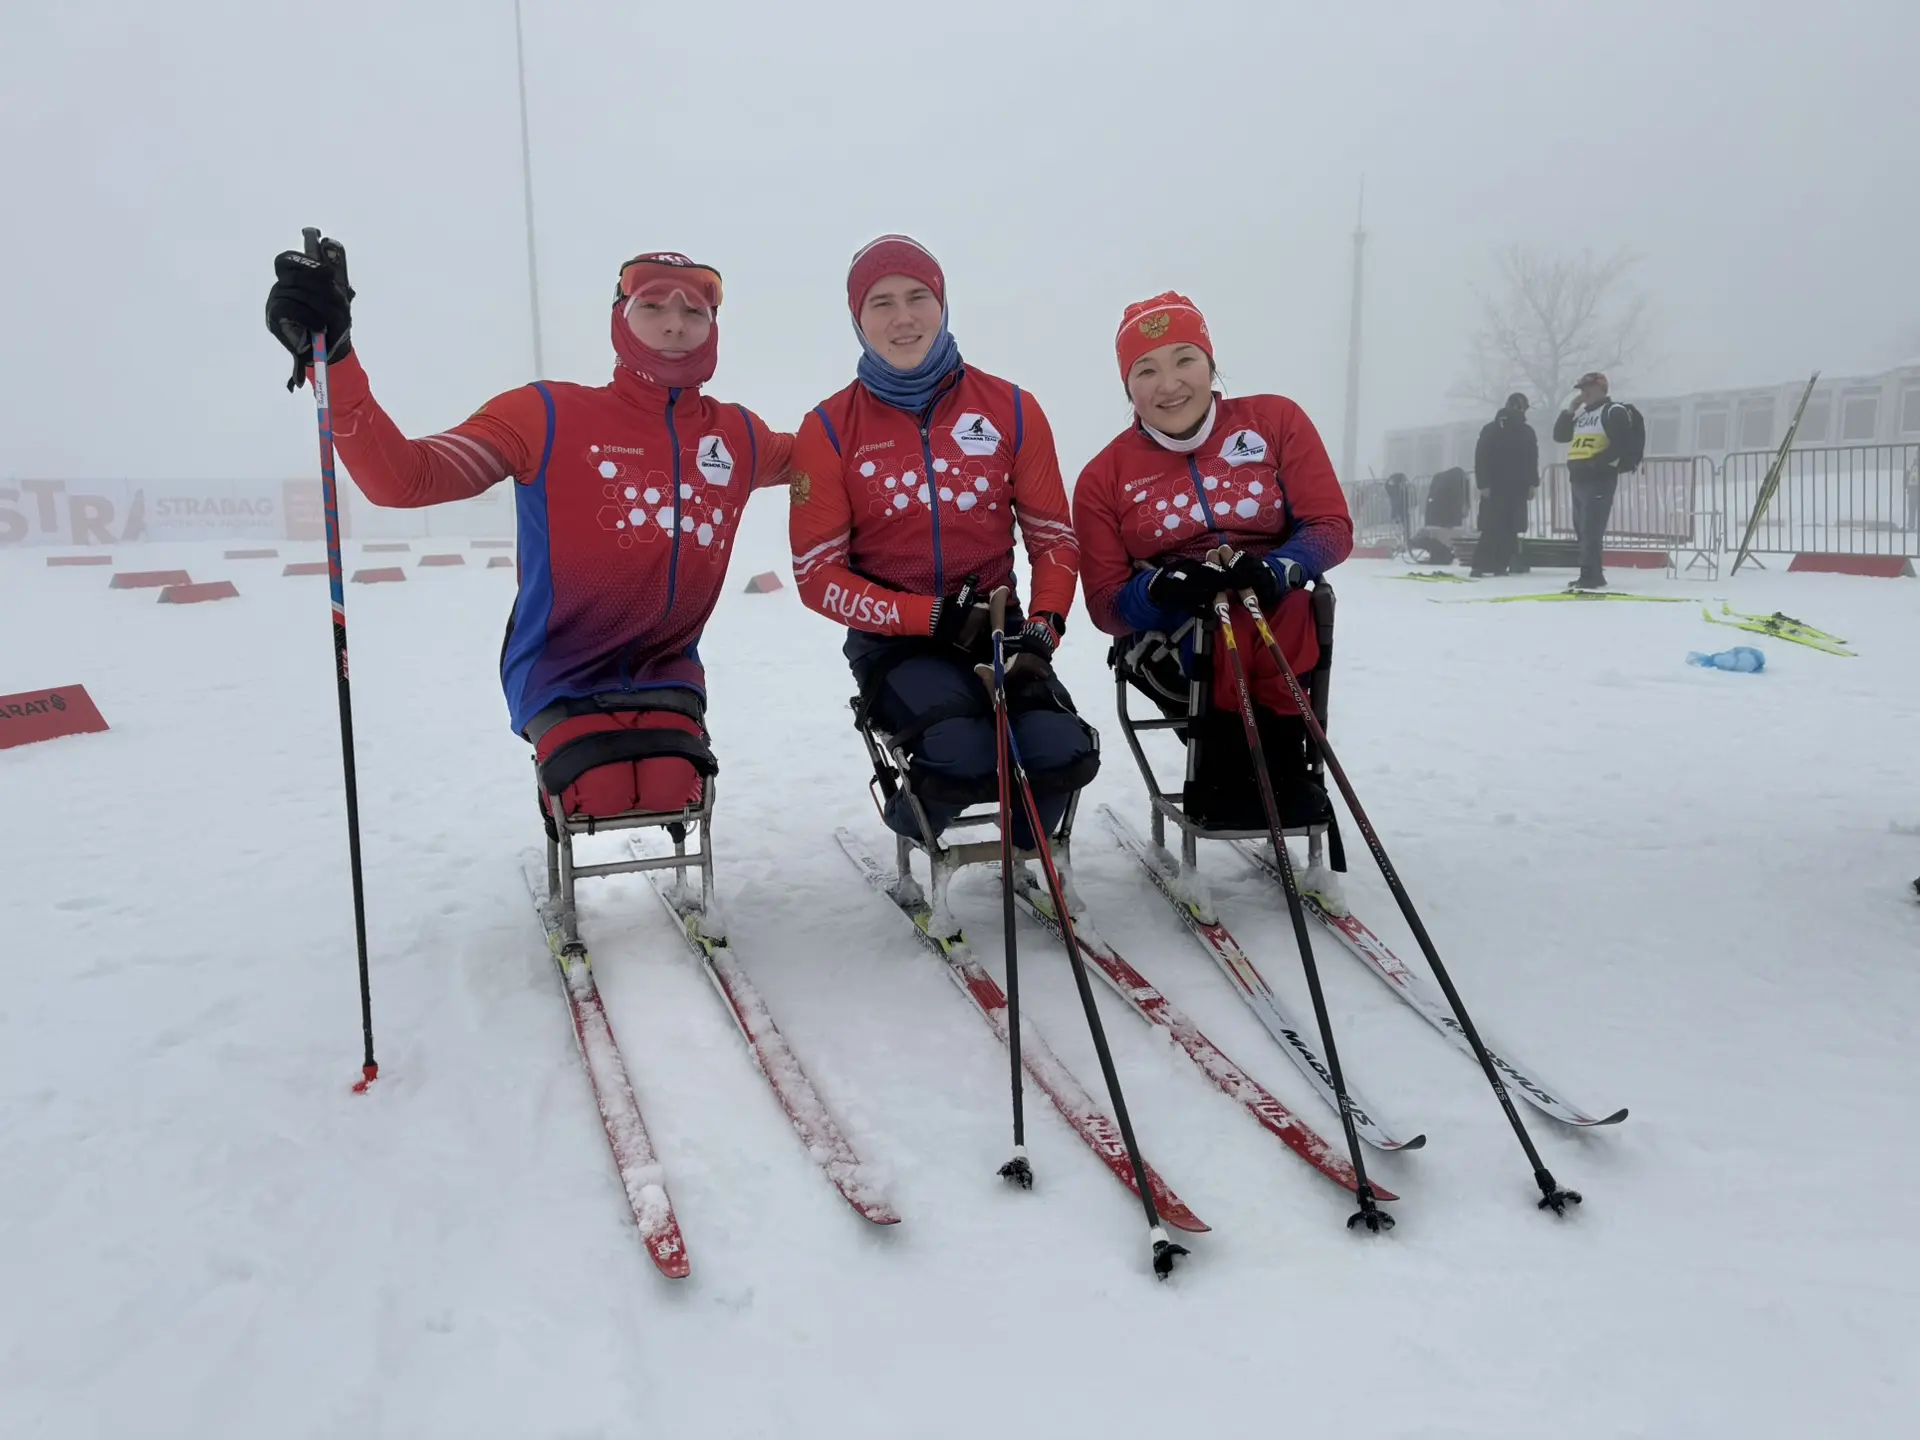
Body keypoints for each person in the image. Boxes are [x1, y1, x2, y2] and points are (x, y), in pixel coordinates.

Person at [264, 242, 792, 828]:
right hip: (558, 665)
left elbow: (833, 458)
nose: (675, 323)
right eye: (652, 307)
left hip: (666, 667)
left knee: (678, 787)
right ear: (620, 318)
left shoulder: (739, 434)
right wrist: (334, 361)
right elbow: (404, 480)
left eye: (695, 312)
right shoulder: (544, 416)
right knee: (598, 793)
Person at [787, 234, 1097, 849]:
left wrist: (1044, 627)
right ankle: (917, 823)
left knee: (1062, 753)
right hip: (896, 644)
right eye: (881, 303)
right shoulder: (827, 427)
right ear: (858, 319)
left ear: (943, 303)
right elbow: (816, 575)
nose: (903, 318)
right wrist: (930, 616)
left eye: (917, 297)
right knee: (963, 756)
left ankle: (1028, 842)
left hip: (998, 629)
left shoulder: (1011, 407)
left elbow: (1054, 538)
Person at [1072, 291, 1353, 829]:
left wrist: (1279, 568)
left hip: (1275, 611)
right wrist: (1160, 590)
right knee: (1217, 621)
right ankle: (1222, 771)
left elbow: (1330, 526)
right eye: (1146, 370)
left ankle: (1287, 769)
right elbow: (1107, 606)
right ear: (1127, 386)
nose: (1169, 383)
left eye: (1185, 360)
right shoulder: (1103, 476)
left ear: (1210, 363)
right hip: (1174, 640)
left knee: (1292, 607)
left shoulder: (1274, 420)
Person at [1552, 370, 1633, 589]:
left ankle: (1591, 575)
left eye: (1587, 389)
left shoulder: (1612, 411)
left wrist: (1596, 464)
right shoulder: (1584, 415)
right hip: (1578, 480)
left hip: (1599, 479)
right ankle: (1589, 572)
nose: (1583, 393)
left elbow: (1621, 444)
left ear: (1601, 388)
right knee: (1582, 529)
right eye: (1581, 390)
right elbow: (1560, 435)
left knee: (1591, 529)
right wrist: (1570, 410)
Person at [1471, 392, 1539, 575]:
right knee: (1499, 526)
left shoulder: (1518, 431)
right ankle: (1486, 565)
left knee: (1503, 526)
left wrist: (1532, 483)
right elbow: (1482, 457)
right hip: (1503, 486)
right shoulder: (1498, 430)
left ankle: (1493, 565)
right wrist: (1483, 483)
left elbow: (1531, 459)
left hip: (1508, 486)